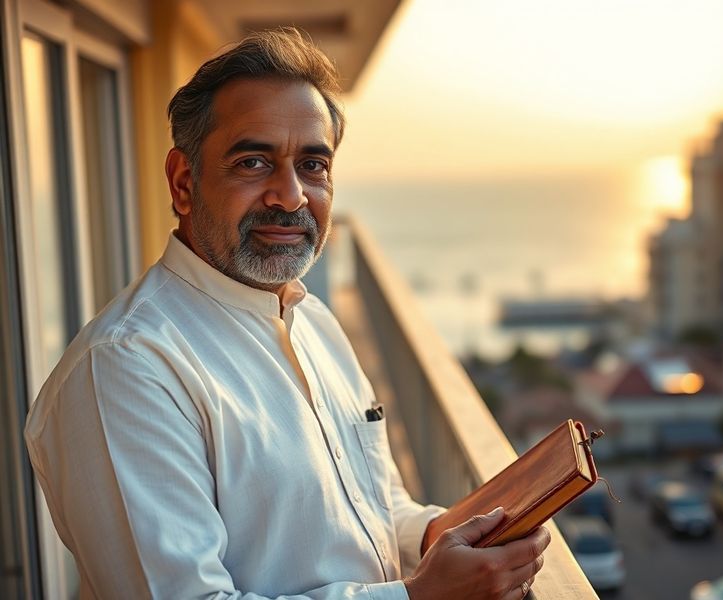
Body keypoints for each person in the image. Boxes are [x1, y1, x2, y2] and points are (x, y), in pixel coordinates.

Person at [25, 28, 550, 600]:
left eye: (313, 164)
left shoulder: (313, 320)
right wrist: (421, 596)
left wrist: (442, 537)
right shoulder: (126, 367)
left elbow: (372, 505)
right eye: (253, 162)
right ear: (183, 182)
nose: (291, 195)